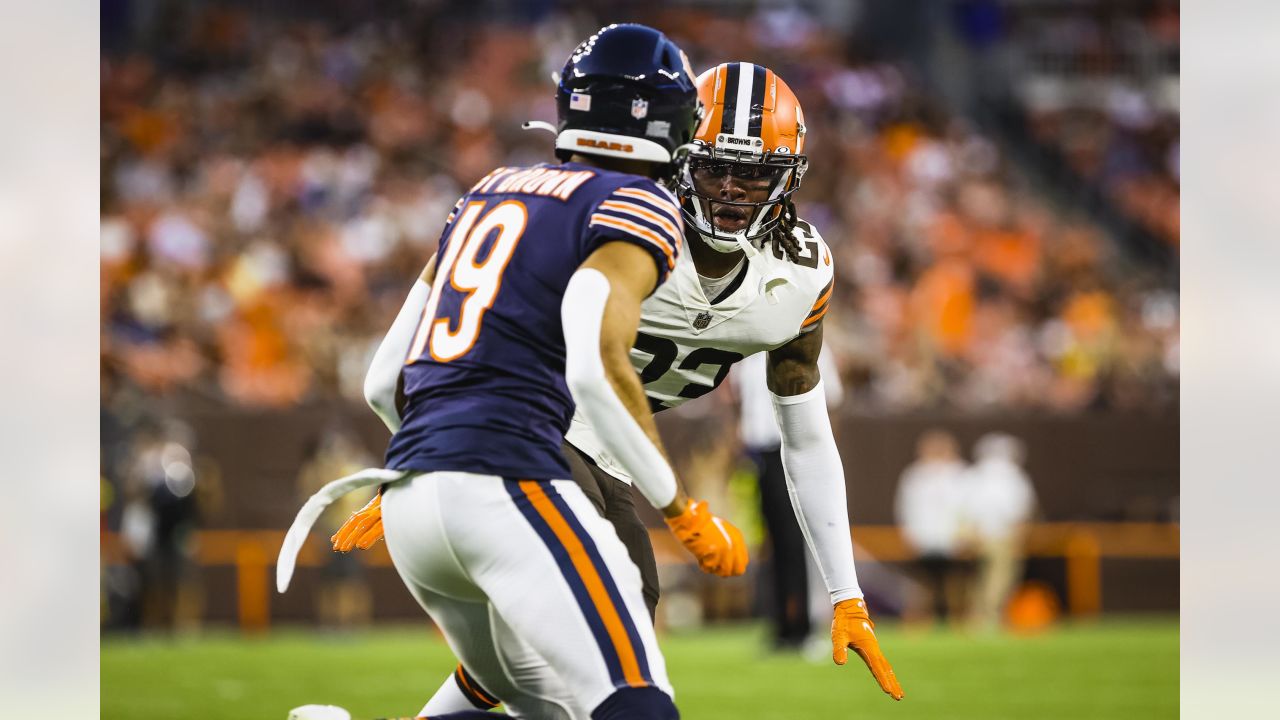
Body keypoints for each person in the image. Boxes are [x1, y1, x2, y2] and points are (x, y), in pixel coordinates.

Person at [333, 61, 903, 716]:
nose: (731, 191)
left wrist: (846, 593)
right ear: (680, 156)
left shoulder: (802, 274)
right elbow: (469, 339)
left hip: (598, 452)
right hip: (536, 434)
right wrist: (444, 448)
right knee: (599, 648)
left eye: (753, 173)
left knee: (564, 646)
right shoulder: (618, 218)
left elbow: (804, 435)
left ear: (790, 176)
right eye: (715, 166)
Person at [285, 24, 749, 720]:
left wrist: (422, 464)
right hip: (508, 484)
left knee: (540, 700)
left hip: (412, 500)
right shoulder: (637, 200)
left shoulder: (488, 189)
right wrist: (681, 509)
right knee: (637, 704)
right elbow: (595, 364)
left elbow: (383, 379)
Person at [730, 346, 843, 651]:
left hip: (792, 449)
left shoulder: (811, 344)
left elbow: (829, 401)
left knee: (798, 543)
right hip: (760, 457)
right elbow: (740, 406)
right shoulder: (748, 355)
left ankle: (804, 627)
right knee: (773, 544)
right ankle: (781, 626)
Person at [961, 432, 1037, 632]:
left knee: (979, 578)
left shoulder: (974, 474)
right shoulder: (1014, 476)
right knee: (1000, 578)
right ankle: (988, 618)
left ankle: (977, 617)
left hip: (977, 534)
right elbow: (1020, 510)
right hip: (1002, 535)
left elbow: (964, 508)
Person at [894, 429, 970, 626]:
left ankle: (958, 619)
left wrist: (963, 536)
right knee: (922, 584)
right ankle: (920, 620)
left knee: (954, 582)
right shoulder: (914, 475)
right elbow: (906, 508)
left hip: (953, 540)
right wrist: (911, 536)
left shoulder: (960, 474)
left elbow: (967, 508)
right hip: (924, 539)